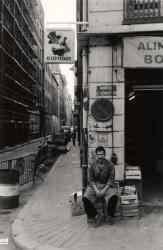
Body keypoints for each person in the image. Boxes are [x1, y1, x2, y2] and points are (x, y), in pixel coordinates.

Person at [83, 146, 118, 227]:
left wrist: (104, 190)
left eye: (102, 154)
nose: (100, 157)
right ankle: (97, 216)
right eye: (98, 155)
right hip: (95, 185)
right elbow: (90, 179)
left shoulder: (110, 165)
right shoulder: (92, 165)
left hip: (107, 186)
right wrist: (95, 189)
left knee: (114, 197)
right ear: (96, 155)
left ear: (105, 155)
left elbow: (111, 179)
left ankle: (109, 216)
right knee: (85, 199)